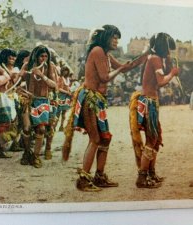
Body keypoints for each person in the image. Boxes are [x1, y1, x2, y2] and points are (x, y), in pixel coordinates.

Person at [62, 25, 147, 191]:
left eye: (118, 38)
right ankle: (83, 180)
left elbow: (126, 66)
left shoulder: (106, 54)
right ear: (106, 37)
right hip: (90, 99)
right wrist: (121, 68)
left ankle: (99, 176)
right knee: (95, 139)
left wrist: (145, 55)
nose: (116, 41)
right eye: (114, 37)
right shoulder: (98, 51)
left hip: (97, 101)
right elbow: (104, 77)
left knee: (105, 138)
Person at [129, 32, 179, 188]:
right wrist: (172, 73)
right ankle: (142, 177)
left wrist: (169, 63)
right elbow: (161, 81)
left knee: (155, 139)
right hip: (148, 102)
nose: (169, 52)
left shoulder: (155, 58)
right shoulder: (155, 59)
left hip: (151, 101)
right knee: (152, 140)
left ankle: (151, 173)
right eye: (168, 49)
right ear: (163, 47)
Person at [19, 45, 57, 168]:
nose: (44, 59)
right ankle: (26, 152)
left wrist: (41, 75)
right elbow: (17, 82)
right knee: (26, 128)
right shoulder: (27, 65)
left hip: (42, 101)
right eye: (41, 56)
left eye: (46, 56)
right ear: (36, 56)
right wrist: (21, 76)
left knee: (41, 129)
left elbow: (54, 85)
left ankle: (35, 156)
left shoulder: (50, 66)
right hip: (28, 101)